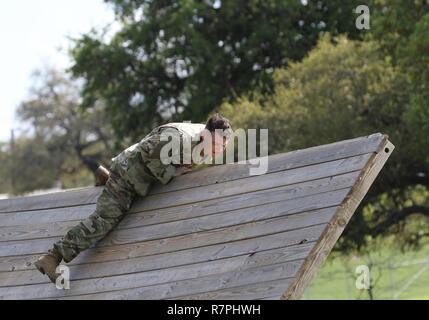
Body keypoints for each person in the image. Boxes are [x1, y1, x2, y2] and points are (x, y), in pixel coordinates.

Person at [34, 113, 232, 284]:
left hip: (140, 174)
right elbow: (147, 153)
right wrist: (173, 172)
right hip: (128, 176)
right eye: (215, 145)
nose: (217, 152)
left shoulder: (207, 138)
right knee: (105, 220)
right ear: (206, 134)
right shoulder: (177, 138)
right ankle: (53, 256)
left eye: (222, 147)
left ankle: (105, 177)